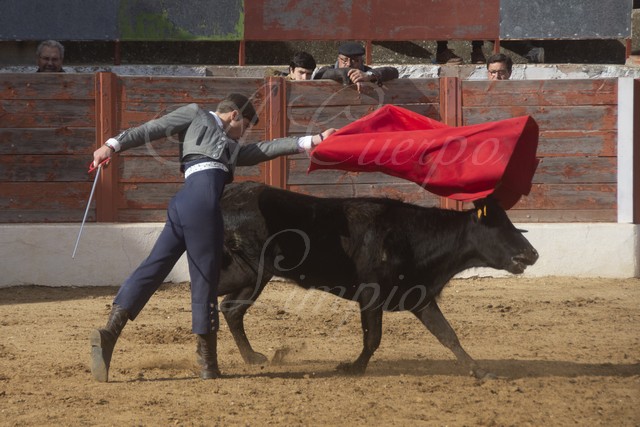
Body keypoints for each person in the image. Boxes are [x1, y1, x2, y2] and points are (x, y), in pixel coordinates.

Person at [89, 93, 336, 382]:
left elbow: (264, 149)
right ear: (234, 115)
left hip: (183, 203)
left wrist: (312, 140)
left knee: (153, 267)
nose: (243, 134)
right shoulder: (195, 113)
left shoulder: (229, 147)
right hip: (204, 204)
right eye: (245, 126)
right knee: (205, 277)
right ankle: (208, 362)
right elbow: (153, 128)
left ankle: (109, 333)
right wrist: (111, 145)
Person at [313, 41, 398, 85]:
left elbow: (393, 72)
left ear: (361, 61)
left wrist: (369, 75)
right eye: (344, 60)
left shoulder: (366, 72)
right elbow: (319, 76)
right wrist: (344, 72)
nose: (349, 64)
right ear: (338, 59)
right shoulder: (328, 70)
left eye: (354, 60)